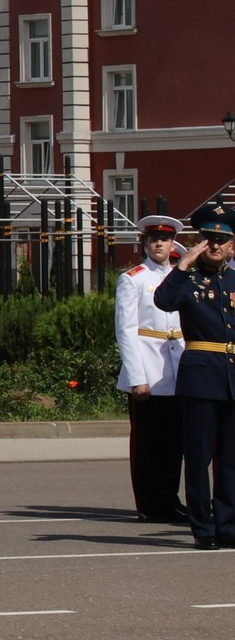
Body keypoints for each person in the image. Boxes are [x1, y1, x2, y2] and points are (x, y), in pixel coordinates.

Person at [153, 202, 235, 549]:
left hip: (233, 379)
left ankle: (229, 526)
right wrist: (183, 264)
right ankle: (203, 528)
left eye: (222, 240)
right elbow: (163, 301)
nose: (214, 246)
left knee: (231, 461)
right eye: (208, 238)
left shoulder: (233, 279)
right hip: (201, 378)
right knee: (199, 458)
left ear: (233, 246)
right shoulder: (188, 279)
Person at [117, 215, 188, 525]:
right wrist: (137, 377)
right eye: (153, 239)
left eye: (164, 239)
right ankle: (148, 503)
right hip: (147, 368)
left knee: (174, 443)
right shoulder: (133, 279)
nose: (159, 244)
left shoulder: (182, 277)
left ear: (173, 244)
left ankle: (169, 499)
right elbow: (126, 330)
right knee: (147, 442)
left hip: (178, 369)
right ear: (145, 243)